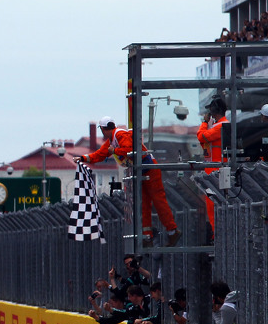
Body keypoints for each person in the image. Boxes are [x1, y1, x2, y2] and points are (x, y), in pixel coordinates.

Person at [74, 117, 181, 247]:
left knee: (158, 201)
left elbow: (130, 150)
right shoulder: (113, 140)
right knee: (144, 205)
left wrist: (115, 151)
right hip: (141, 171)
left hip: (149, 169)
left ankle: (172, 230)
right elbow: (100, 154)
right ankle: (148, 237)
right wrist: (83, 158)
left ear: (102, 129)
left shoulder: (120, 135)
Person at [196, 95, 229, 236]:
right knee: (211, 204)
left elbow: (201, 137)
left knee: (215, 205)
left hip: (216, 172)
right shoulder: (216, 126)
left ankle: (219, 236)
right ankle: (217, 236)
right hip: (211, 172)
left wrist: (204, 122)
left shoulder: (222, 126)